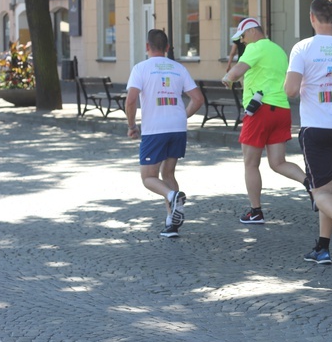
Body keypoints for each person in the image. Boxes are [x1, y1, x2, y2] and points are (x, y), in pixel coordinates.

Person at [284, 0, 332, 264]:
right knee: (328, 186)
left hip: (316, 127)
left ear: (312, 18)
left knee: (319, 191)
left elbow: (291, 89)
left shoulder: (303, 47)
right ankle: (323, 248)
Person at [222, 18, 308, 224]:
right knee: (278, 162)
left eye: (242, 36)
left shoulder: (255, 47)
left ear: (251, 32)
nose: (242, 41)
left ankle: (255, 211)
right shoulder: (278, 50)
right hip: (281, 110)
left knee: (250, 164)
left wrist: (227, 78)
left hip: (260, 111)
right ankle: (310, 184)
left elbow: (234, 73)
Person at [125, 29, 204, 238]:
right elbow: (197, 99)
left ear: (147, 47)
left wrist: (131, 125)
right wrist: (182, 117)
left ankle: (172, 195)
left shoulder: (140, 68)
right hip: (177, 128)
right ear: (167, 48)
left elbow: (131, 100)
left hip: (155, 130)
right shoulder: (179, 68)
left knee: (148, 177)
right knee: (168, 173)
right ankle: (172, 223)